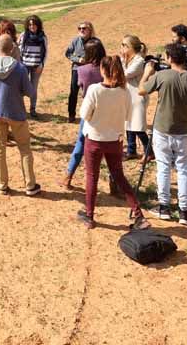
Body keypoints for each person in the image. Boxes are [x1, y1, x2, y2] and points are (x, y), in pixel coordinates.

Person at [138, 43, 187, 224]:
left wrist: (148, 72)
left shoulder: (162, 76)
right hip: (185, 131)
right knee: (184, 170)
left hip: (162, 130)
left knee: (163, 168)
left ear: (169, 58)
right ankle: (184, 211)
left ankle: (164, 207)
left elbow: (141, 90)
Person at [76, 56, 150, 230]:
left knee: (92, 177)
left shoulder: (95, 90)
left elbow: (84, 114)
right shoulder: (124, 92)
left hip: (94, 139)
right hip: (115, 140)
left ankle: (89, 216)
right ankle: (138, 215)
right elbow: (127, 116)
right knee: (119, 176)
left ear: (103, 70)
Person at [0, 34, 41, 196]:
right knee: (25, 149)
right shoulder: (19, 68)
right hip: (16, 113)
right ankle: (30, 185)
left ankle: (2, 184)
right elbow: (30, 92)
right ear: (12, 48)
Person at [61, 39, 107, 189]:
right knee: (109, 147)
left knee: (80, 143)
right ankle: (114, 184)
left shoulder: (83, 70)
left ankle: (68, 176)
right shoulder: (107, 69)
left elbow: (81, 86)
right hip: (106, 111)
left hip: (89, 111)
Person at [119, 35, 151, 160]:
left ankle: (149, 150)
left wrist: (121, 61)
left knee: (138, 126)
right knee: (128, 123)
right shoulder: (128, 59)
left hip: (137, 96)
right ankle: (131, 150)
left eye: (124, 45)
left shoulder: (139, 61)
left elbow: (125, 75)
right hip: (128, 95)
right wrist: (123, 60)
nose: (121, 48)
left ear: (131, 47)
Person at [63, 21, 98, 122]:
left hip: (90, 71)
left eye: (84, 28)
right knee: (73, 92)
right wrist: (77, 60)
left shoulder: (96, 42)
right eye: (79, 28)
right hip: (77, 70)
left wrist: (91, 61)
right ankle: (71, 114)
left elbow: (101, 55)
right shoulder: (75, 40)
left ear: (90, 30)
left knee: (89, 92)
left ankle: (91, 114)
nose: (81, 30)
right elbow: (68, 53)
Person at [17, 15, 48, 118]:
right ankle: (20, 109)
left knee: (33, 89)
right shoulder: (23, 35)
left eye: (34, 24)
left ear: (38, 25)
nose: (32, 26)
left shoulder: (43, 37)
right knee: (21, 88)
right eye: (30, 24)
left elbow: (45, 52)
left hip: (37, 66)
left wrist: (42, 64)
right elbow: (18, 50)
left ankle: (32, 109)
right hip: (24, 66)